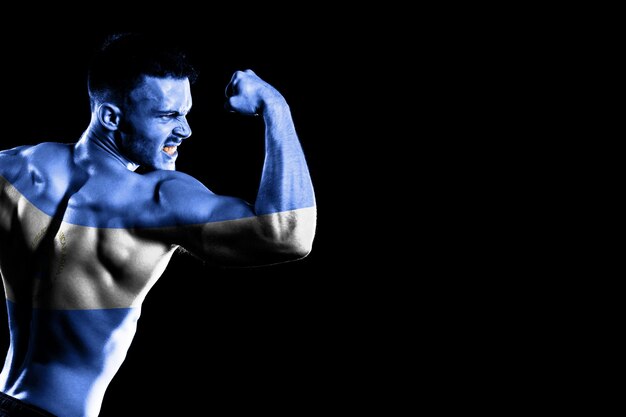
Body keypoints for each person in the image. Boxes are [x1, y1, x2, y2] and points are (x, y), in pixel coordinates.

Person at [0, 33, 316, 417]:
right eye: (167, 116)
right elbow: (289, 234)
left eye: (185, 114)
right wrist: (275, 106)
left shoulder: (16, 168)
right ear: (111, 117)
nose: (185, 131)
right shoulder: (155, 198)